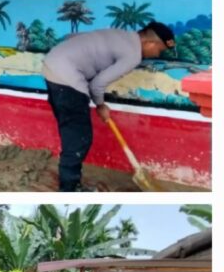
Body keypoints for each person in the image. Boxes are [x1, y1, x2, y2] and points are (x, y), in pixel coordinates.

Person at [43, 21, 175, 192]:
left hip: (51, 65)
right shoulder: (133, 54)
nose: (157, 55)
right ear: (150, 43)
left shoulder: (120, 34)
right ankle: (69, 189)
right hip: (67, 78)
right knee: (79, 140)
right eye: (160, 50)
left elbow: (73, 38)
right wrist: (100, 105)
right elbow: (97, 84)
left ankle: (69, 180)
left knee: (70, 132)